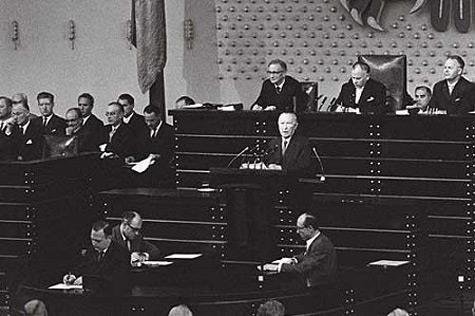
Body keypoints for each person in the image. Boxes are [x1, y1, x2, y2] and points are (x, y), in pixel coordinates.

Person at [263, 213, 337, 287]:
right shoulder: (319, 240)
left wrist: (278, 267)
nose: (297, 232)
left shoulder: (321, 244)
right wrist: (294, 260)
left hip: (318, 288)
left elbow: (301, 269)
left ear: (310, 228)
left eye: (299, 228)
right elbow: (308, 255)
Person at [62, 220, 130, 293]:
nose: (94, 243)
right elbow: (82, 267)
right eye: (92, 239)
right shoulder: (91, 250)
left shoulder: (121, 253)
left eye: (98, 241)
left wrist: (86, 280)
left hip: (111, 296)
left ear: (109, 238)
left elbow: (114, 280)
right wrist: (73, 275)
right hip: (89, 295)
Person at [126, 105, 175, 187]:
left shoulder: (169, 131)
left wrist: (159, 156)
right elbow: (140, 149)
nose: (148, 124)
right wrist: (133, 157)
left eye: (152, 120)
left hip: (163, 173)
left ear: (159, 116)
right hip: (145, 173)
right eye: (146, 120)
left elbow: (171, 152)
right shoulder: (143, 131)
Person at [264, 112, 315, 177]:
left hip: (294, 182)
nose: (285, 127)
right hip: (273, 181)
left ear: (295, 126)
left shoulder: (303, 143)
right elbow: (267, 161)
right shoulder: (273, 143)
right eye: (282, 123)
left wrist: (281, 168)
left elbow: (304, 166)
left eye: (288, 123)